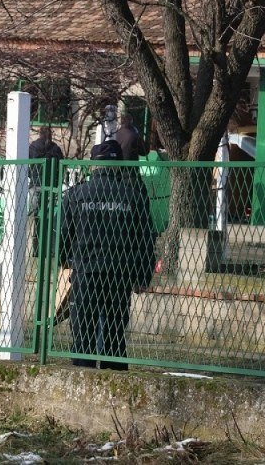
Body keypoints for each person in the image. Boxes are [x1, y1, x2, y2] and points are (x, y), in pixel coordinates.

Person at [59, 139, 155, 371]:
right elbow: (146, 238)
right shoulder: (134, 195)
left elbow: (63, 235)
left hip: (87, 271)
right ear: (120, 165)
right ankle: (115, 380)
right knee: (114, 331)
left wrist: (63, 260)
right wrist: (143, 277)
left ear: (93, 166)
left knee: (83, 331)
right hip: (120, 272)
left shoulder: (75, 195)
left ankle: (83, 377)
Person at [28, 127, 64, 255]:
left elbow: (27, 165)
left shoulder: (32, 147)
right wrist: (56, 181)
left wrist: (32, 176)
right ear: (50, 134)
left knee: (34, 215)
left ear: (40, 134)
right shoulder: (55, 149)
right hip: (50, 186)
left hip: (35, 184)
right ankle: (47, 247)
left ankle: (34, 248)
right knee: (49, 217)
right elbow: (61, 167)